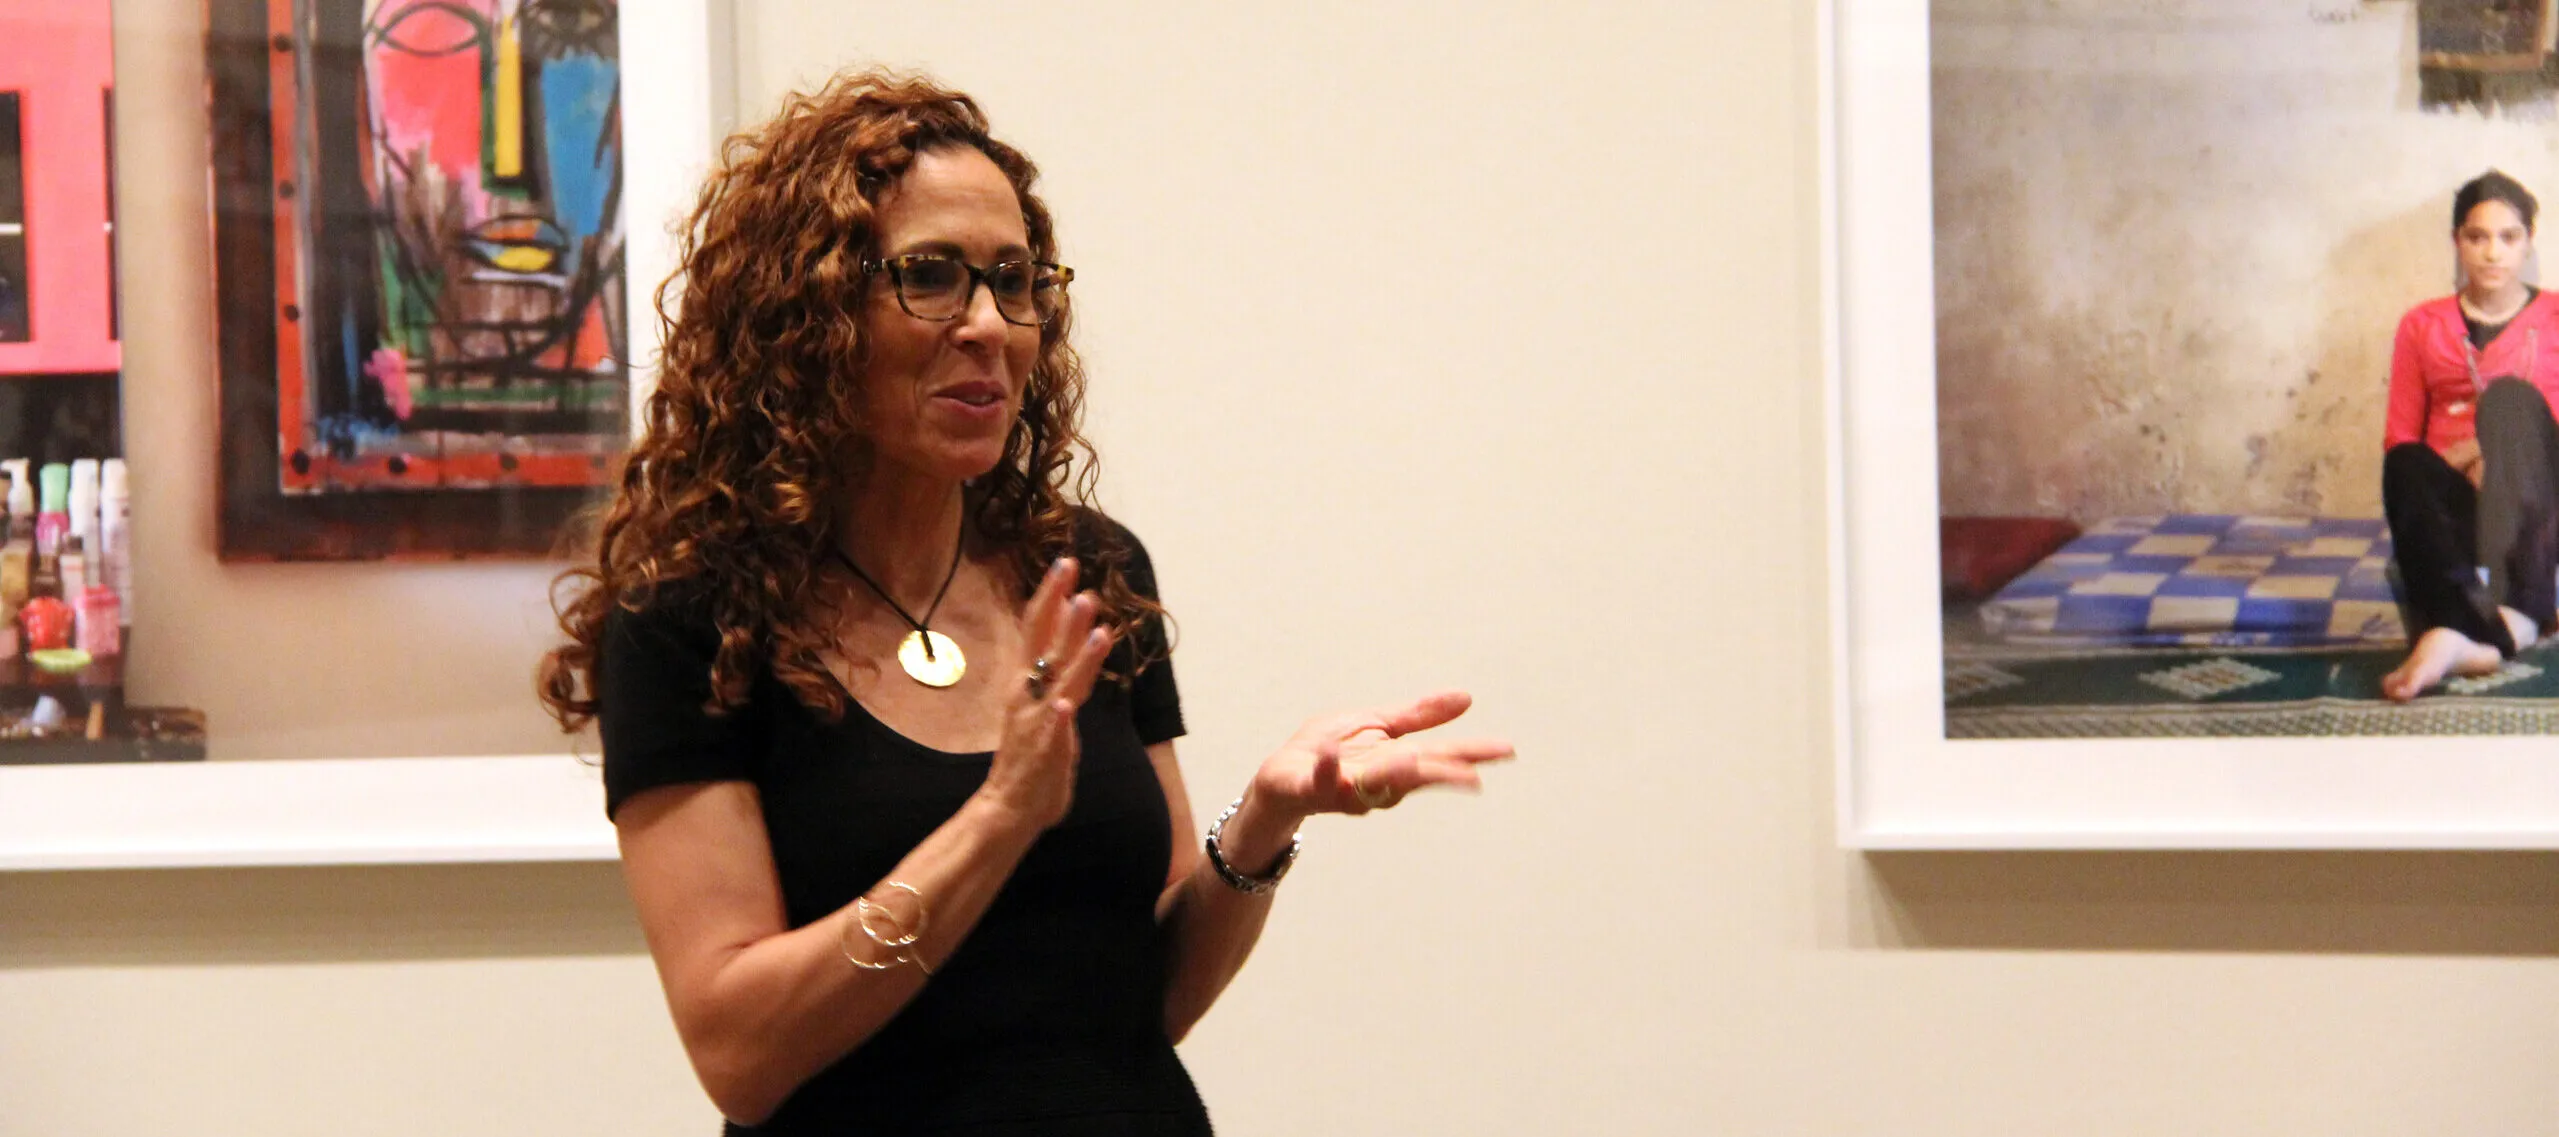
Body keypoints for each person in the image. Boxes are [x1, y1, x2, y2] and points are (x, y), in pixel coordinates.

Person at [537, 70, 1514, 1135]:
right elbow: (741, 1053)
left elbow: (1149, 1000)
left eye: (1015, 281)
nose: (990, 326)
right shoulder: (694, 619)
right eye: (931, 277)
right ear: (804, 314)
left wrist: (1266, 820)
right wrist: (997, 821)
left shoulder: (1088, 572)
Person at [2380, 170, 2559, 701]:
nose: (2492, 253)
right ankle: (2467, 633)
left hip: (2539, 499)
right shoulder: (2421, 324)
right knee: (2407, 463)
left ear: (2528, 241)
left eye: (2508, 237)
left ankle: (2477, 630)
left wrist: (2501, 452)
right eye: (2477, 237)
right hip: (2465, 504)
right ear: (2458, 241)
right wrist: (2464, 460)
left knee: (2510, 405)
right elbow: (2399, 437)